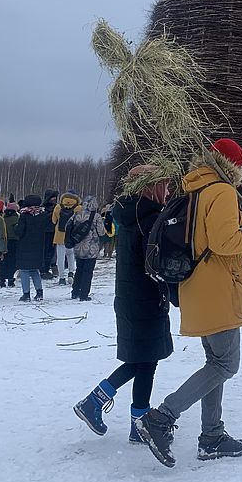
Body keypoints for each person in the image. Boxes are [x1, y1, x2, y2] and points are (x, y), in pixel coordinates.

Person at [135, 138, 242, 468]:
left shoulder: (195, 189)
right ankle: (162, 417)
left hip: (198, 290)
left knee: (215, 365)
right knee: (225, 365)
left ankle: (212, 436)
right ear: (233, 166)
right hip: (218, 293)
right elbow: (225, 243)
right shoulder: (222, 192)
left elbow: (208, 244)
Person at [75, 165, 173, 444]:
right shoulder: (150, 218)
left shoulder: (130, 213)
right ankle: (125, 416)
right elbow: (154, 263)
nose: (167, 192)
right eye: (164, 186)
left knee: (141, 360)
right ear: (151, 187)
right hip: (145, 298)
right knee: (146, 361)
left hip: (130, 297)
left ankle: (109, 408)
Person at [70, 196, 105, 301]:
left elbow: (69, 226)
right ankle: (84, 294)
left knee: (79, 269)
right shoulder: (96, 216)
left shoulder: (76, 214)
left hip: (78, 247)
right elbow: (101, 232)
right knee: (88, 271)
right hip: (91, 248)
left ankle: (75, 292)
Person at [14, 195, 48, 301]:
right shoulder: (43, 215)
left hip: (25, 245)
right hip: (38, 246)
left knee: (24, 270)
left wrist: (15, 228)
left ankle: (26, 294)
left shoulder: (24, 216)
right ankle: (39, 292)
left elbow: (20, 231)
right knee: (34, 270)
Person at [52, 190, 82, 285]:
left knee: (60, 258)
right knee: (71, 256)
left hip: (60, 236)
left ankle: (61, 278)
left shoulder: (58, 207)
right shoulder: (78, 208)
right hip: (72, 236)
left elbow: (53, 221)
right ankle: (70, 273)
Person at [0, 203, 20, 287]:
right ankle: (10, 279)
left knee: (3, 261)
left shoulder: (3, 218)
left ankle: (1, 280)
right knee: (12, 261)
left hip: (4, 241)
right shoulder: (17, 218)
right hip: (14, 241)